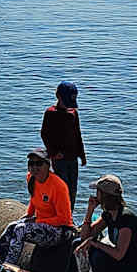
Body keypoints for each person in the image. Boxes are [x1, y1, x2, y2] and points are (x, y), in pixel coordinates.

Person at [0, 149, 73, 271]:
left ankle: (8, 267)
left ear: (47, 165)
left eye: (39, 164)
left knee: (20, 229)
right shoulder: (31, 178)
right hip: (42, 223)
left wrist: (38, 221)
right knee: (11, 226)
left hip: (60, 231)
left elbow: (64, 219)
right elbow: (34, 197)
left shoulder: (58, 186)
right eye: (31, 164)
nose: (34, 167)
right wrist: (29, 214)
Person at [74, 174, 137, 272]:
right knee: (77, 244)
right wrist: (90, 210)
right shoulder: (109, 214)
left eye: (98, 192)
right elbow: (85, 236)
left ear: (104, 195)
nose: (95, 194)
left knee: (98, 255)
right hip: (120, 262)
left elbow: (119, 254)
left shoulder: (126, 218)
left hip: (132, 269)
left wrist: (95, 243)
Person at [40, 81, 86, 209]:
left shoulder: (73, 113)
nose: (69, 105)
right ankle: (61, 213)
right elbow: (45, 134)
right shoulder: (51, 113)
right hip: (59, 159)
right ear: (58, 97)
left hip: (73, 157)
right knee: (62, 187)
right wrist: (53, 153)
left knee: (72, 189)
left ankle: (69, 215)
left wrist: (82, 155)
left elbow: (77, 134)